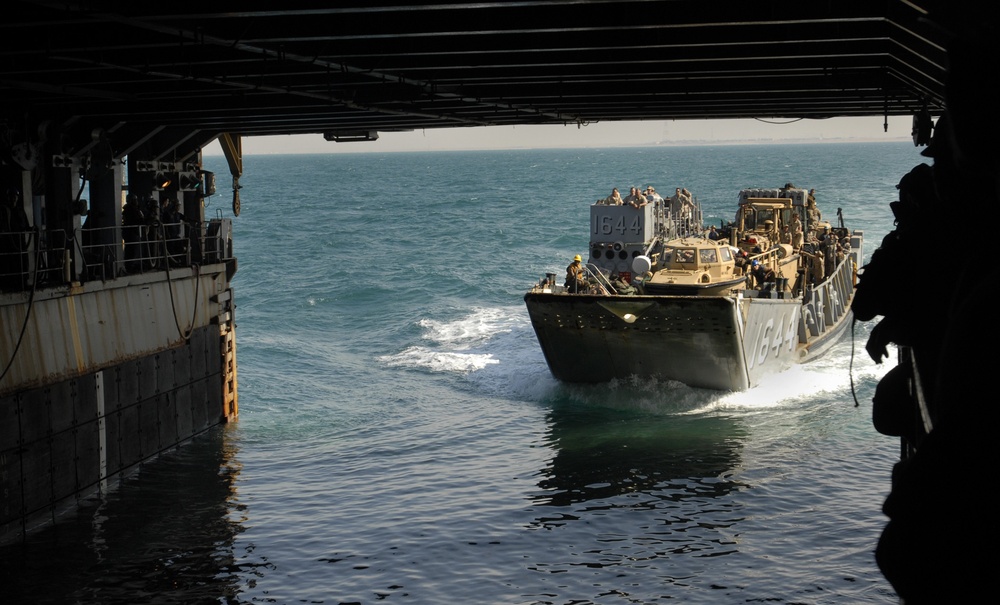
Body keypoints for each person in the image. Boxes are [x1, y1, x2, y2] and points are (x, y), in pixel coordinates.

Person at [0, 186, 30, 290]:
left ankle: (23, 282)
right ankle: (12, 283)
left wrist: (32, 229)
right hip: (9, 243)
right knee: (11, 264)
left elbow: (26, 225)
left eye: (14, 197)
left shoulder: (20, 211)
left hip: (20, 243)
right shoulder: (4, 211)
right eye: (11, 197)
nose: (13, 199)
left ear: (17, 198)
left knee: (23, 262)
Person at [122, 193, 145, 272]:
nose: (137, 201)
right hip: (132, 233)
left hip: (132, 233)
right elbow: (136, 220)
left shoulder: (130, 210)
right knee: (132, 250)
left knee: (132, 250)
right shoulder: (131, 210)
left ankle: (132, 265)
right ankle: (130, 266)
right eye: (135, 200)